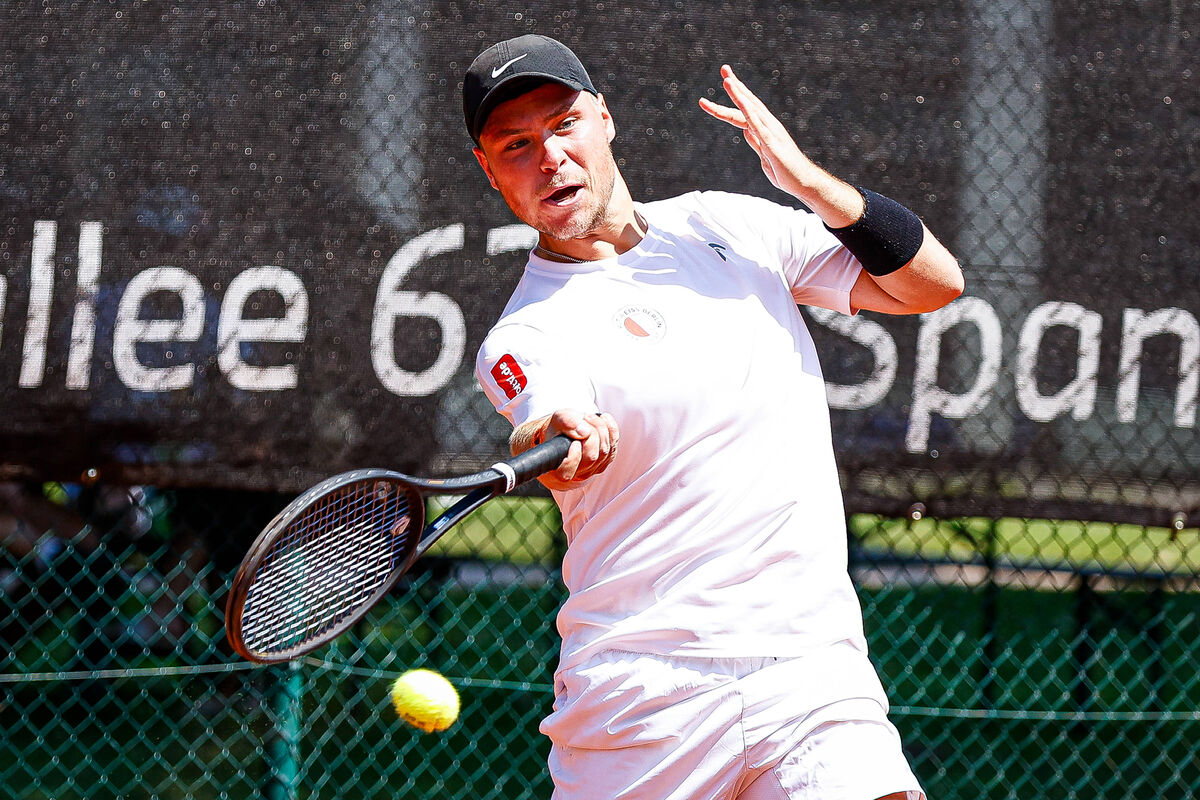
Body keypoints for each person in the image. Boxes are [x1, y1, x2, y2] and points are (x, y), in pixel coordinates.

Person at [464, 34, 963, 800]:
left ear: (604, 118)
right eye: (517, 145)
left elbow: (933, 285)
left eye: (564, 125)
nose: (551, 157)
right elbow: (544, 414)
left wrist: (810, 184)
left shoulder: (728, 225)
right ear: (489, 168)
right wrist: (559, 433)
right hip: (642, 698)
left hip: (809, 672)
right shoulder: (526, 334)